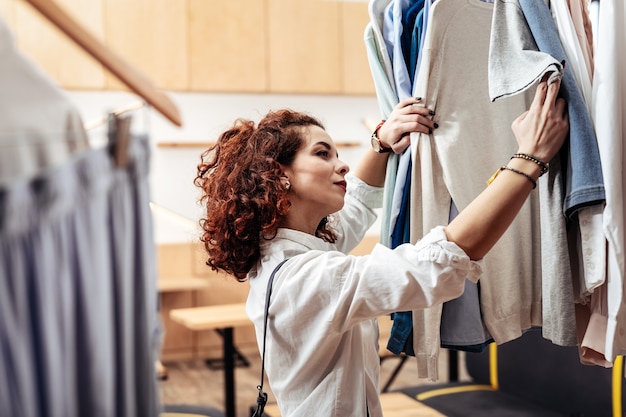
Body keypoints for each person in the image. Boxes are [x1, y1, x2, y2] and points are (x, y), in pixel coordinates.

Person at [194, 75, 568, 417]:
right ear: (279, 175)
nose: (341, 166)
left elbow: (355, 203)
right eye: (323, 154)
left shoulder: (293, 249)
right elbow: (436, 263)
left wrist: (381, 142)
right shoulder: (303, 279)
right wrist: (529, 159)